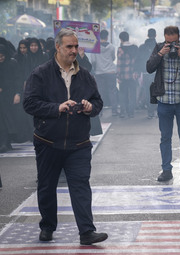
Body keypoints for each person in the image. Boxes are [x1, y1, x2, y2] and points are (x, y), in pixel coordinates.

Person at [23, 29, 108, 245]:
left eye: (76, 46)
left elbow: (98, 102)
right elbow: (29, 103)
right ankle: (48, 226)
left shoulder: (86, 75)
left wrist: (90, 107)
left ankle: (87, 232)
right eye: (69, 46)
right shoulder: (40, 73)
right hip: (48, 141)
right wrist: (56, 107)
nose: (74, 50)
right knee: (47, 186)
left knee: (80, 186)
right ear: (58, 47)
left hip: (79, 143)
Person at [146, 25, 180, 182]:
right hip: (164, 100)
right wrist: (160, 54)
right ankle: (166, 170)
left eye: (174, 42)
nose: (171, 46)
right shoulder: (158, 48)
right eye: (168, 42)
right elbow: (149, 68)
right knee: (165, 137)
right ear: (164, 38)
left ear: (179, 38)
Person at [91, 29, 118, 116]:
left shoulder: (95, 47)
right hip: (111, 71)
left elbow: (93, 61)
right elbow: (113, 58)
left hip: (99, 72)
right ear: (107, 37)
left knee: (100, 92)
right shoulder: (112, 47)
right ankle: (114, 110)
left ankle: (100, 111)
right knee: (112, 91)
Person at [0, 44, 21, 152]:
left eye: (2, 56)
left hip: (10, 96)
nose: (1, 58)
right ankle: (4, 143)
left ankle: (6, 142)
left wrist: (17, 93)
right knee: (2, 120)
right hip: (1, 98)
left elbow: (18, 79)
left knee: (8, 119)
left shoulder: (12, 63)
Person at [136, 28, 158, 119]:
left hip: (146, 72)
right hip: (157, 73)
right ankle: (158, 111)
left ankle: (150, 112)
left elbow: (138, 60)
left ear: (147, 35)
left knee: (148, 92)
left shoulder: (142, 47)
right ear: (155, 35)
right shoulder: (159, 47)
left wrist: (138, 71)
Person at [117, 31, 139, 118]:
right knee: (132, 94)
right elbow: (138, 62)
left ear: (121, 39)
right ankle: (131, 112)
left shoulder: (120, 49)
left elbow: (119, 64)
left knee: (123, 94)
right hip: (133, 75)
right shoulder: (135, 48)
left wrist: (118, 76)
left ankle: (123, 112)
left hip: (123, 75)